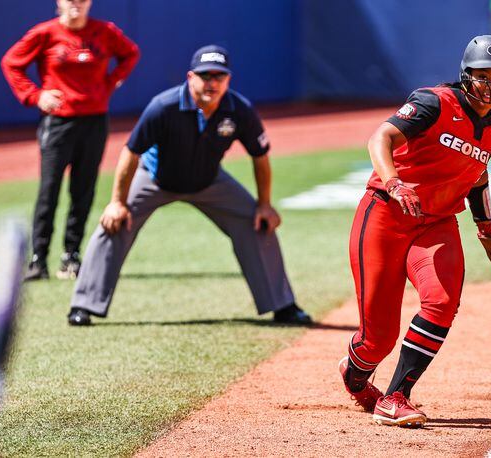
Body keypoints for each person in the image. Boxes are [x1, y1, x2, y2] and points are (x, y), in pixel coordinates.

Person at [338, 35, 491, 428]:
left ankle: (397, 395)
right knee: (378, 339)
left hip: (437, 222)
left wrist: (485, 226)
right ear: (465, 76)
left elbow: (477, 172)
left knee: (442, 300)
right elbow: (380, 137)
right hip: (386, 214)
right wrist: (393, 182)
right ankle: (354, 375)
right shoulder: (433, 102)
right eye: (484, 76)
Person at [65, 45, 311, 327]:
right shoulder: (164, 106)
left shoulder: (239, 109)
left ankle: (282, 305)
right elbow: (130, 153)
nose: (212, 83)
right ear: (190, 76)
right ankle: (83, 305)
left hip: (209, 181)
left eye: (219, 76)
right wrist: (117, 202)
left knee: (256, 220)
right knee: (114, 223)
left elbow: (260, 157)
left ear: (228, 80)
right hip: (156, 178)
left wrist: (265, 204)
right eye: (205, 76)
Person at [0, 0, 140, 281]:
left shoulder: (104, 31)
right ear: (59, 2)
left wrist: (110, 83)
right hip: (59, 122)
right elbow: (11, 63)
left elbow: (130, 54)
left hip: (95, 120)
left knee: (83, 189)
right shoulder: (45, 33)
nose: (76, 3)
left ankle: (71, 256)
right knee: (49, 190)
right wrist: (36, 95)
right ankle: (38, 259)